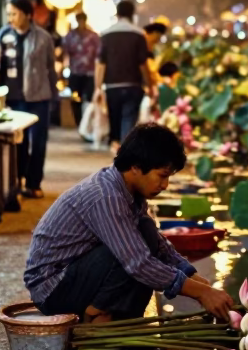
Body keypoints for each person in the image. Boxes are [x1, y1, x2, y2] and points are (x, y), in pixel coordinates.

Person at [24, 122, 233, 322]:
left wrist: (199, 281)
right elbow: (138, 263)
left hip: (78, 272)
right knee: (136, 256)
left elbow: (159, 246)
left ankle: (104, 311)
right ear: (135, 167)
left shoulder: (129, 189)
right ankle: (96, 314)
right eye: (162, 176)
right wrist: (200, 294)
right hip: (52, 288)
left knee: (146, 230)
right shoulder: (106, 196)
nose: (165, 185)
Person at [0, 0, 57, 199]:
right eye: (8, 14)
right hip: (13, 98)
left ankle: (34, 184)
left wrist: (54, 96)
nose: (10, 18)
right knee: (19, 143)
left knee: (39, 142)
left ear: (27, 14)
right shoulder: (3, 35)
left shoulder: (43, 38)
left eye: (14, 14)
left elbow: (50, 69)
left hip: (39, 98)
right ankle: (17, 182)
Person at [95, 0, 155, 151]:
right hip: (133, 84)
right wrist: (150, 84)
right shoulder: (138, 35)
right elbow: (143, 64)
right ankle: (125, 149)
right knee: (129, 118)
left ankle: (116, 145)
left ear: (117, 13)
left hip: (112, 85)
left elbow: (101, 64)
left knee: (114, 119)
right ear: (132, 14)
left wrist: (97, 87)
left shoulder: (106, 34)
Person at [61, 11, 100, 126]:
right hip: (75, 71)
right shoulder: (70, 36)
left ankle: (86, 123)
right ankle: (79, 122)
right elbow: (65, 52)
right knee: (75, 98)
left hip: (89, 72)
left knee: (88, 98)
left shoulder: (93, 36)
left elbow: (98, 55)